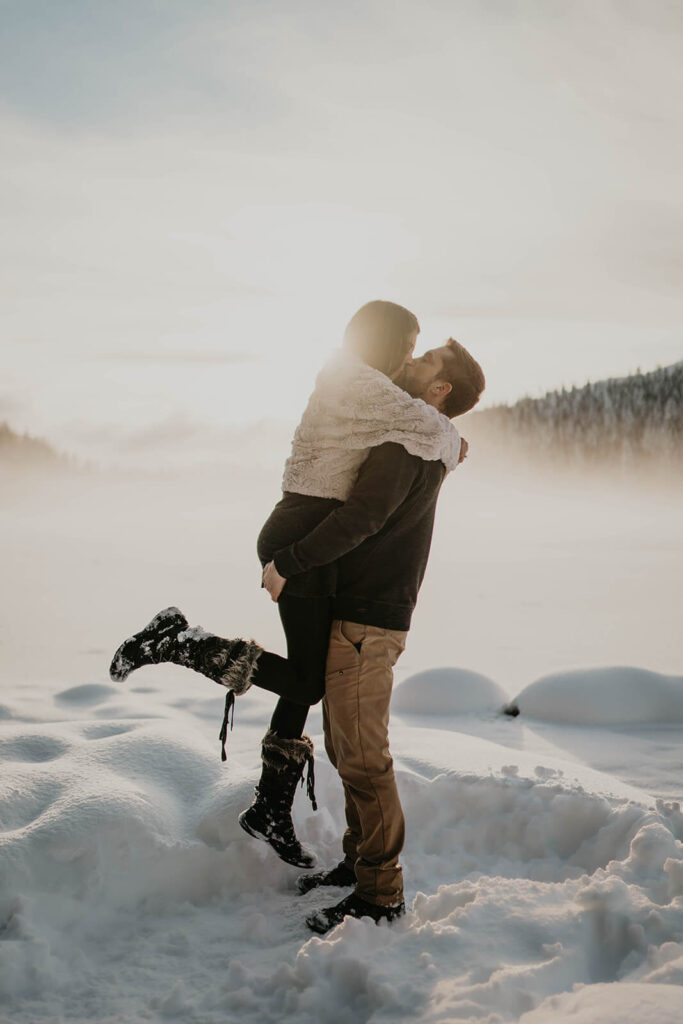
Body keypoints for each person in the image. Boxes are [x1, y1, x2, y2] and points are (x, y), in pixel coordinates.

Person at [108, 301, 463, 868]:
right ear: (386, 339)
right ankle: (175, 641)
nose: (413, 353)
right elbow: (435, 428)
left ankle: (271, 806)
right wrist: (454, 445)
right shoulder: (355, 380)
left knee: (306, 675)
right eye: (411, 341)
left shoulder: (367, 384)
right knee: (307, 678)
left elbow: (423, 427)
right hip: (303, 531)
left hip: (310, 531)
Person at [261, 339, 486, 932]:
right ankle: (358, 866)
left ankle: (380, 896)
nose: (410, 362)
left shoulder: (410, 438)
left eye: (426, 360)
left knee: (364, 760)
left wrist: (290, 562)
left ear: (441, 391)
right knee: (345, 750)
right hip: (362, 614)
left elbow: (361, 518)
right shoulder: (422, 434)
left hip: (369, 618)